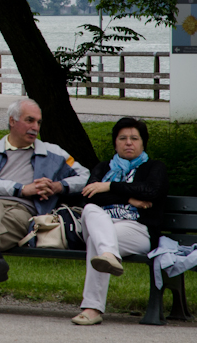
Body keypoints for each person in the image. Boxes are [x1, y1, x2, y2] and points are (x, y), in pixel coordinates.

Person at [0, 99, 89, 317]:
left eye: (38, 122)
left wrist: (58, 186)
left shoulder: (54, 153)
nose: (35, 127)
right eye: (29, 120)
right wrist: (20, 189)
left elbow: (85, 175)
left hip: (20, 215)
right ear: (12, 121)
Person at [72, 118, 168, 325]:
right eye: (122, 138)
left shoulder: (154, 168)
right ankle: (110, 254)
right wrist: (127, 198)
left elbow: (150, 191)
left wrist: (109, 187)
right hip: (101, 225)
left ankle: (92, 308)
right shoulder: (103, 167)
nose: (128, 143)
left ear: (143, 143)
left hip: (136, 230)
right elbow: (89, 196)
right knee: (90, 209)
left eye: (134, 138)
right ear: (115, 142)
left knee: (95, 242)